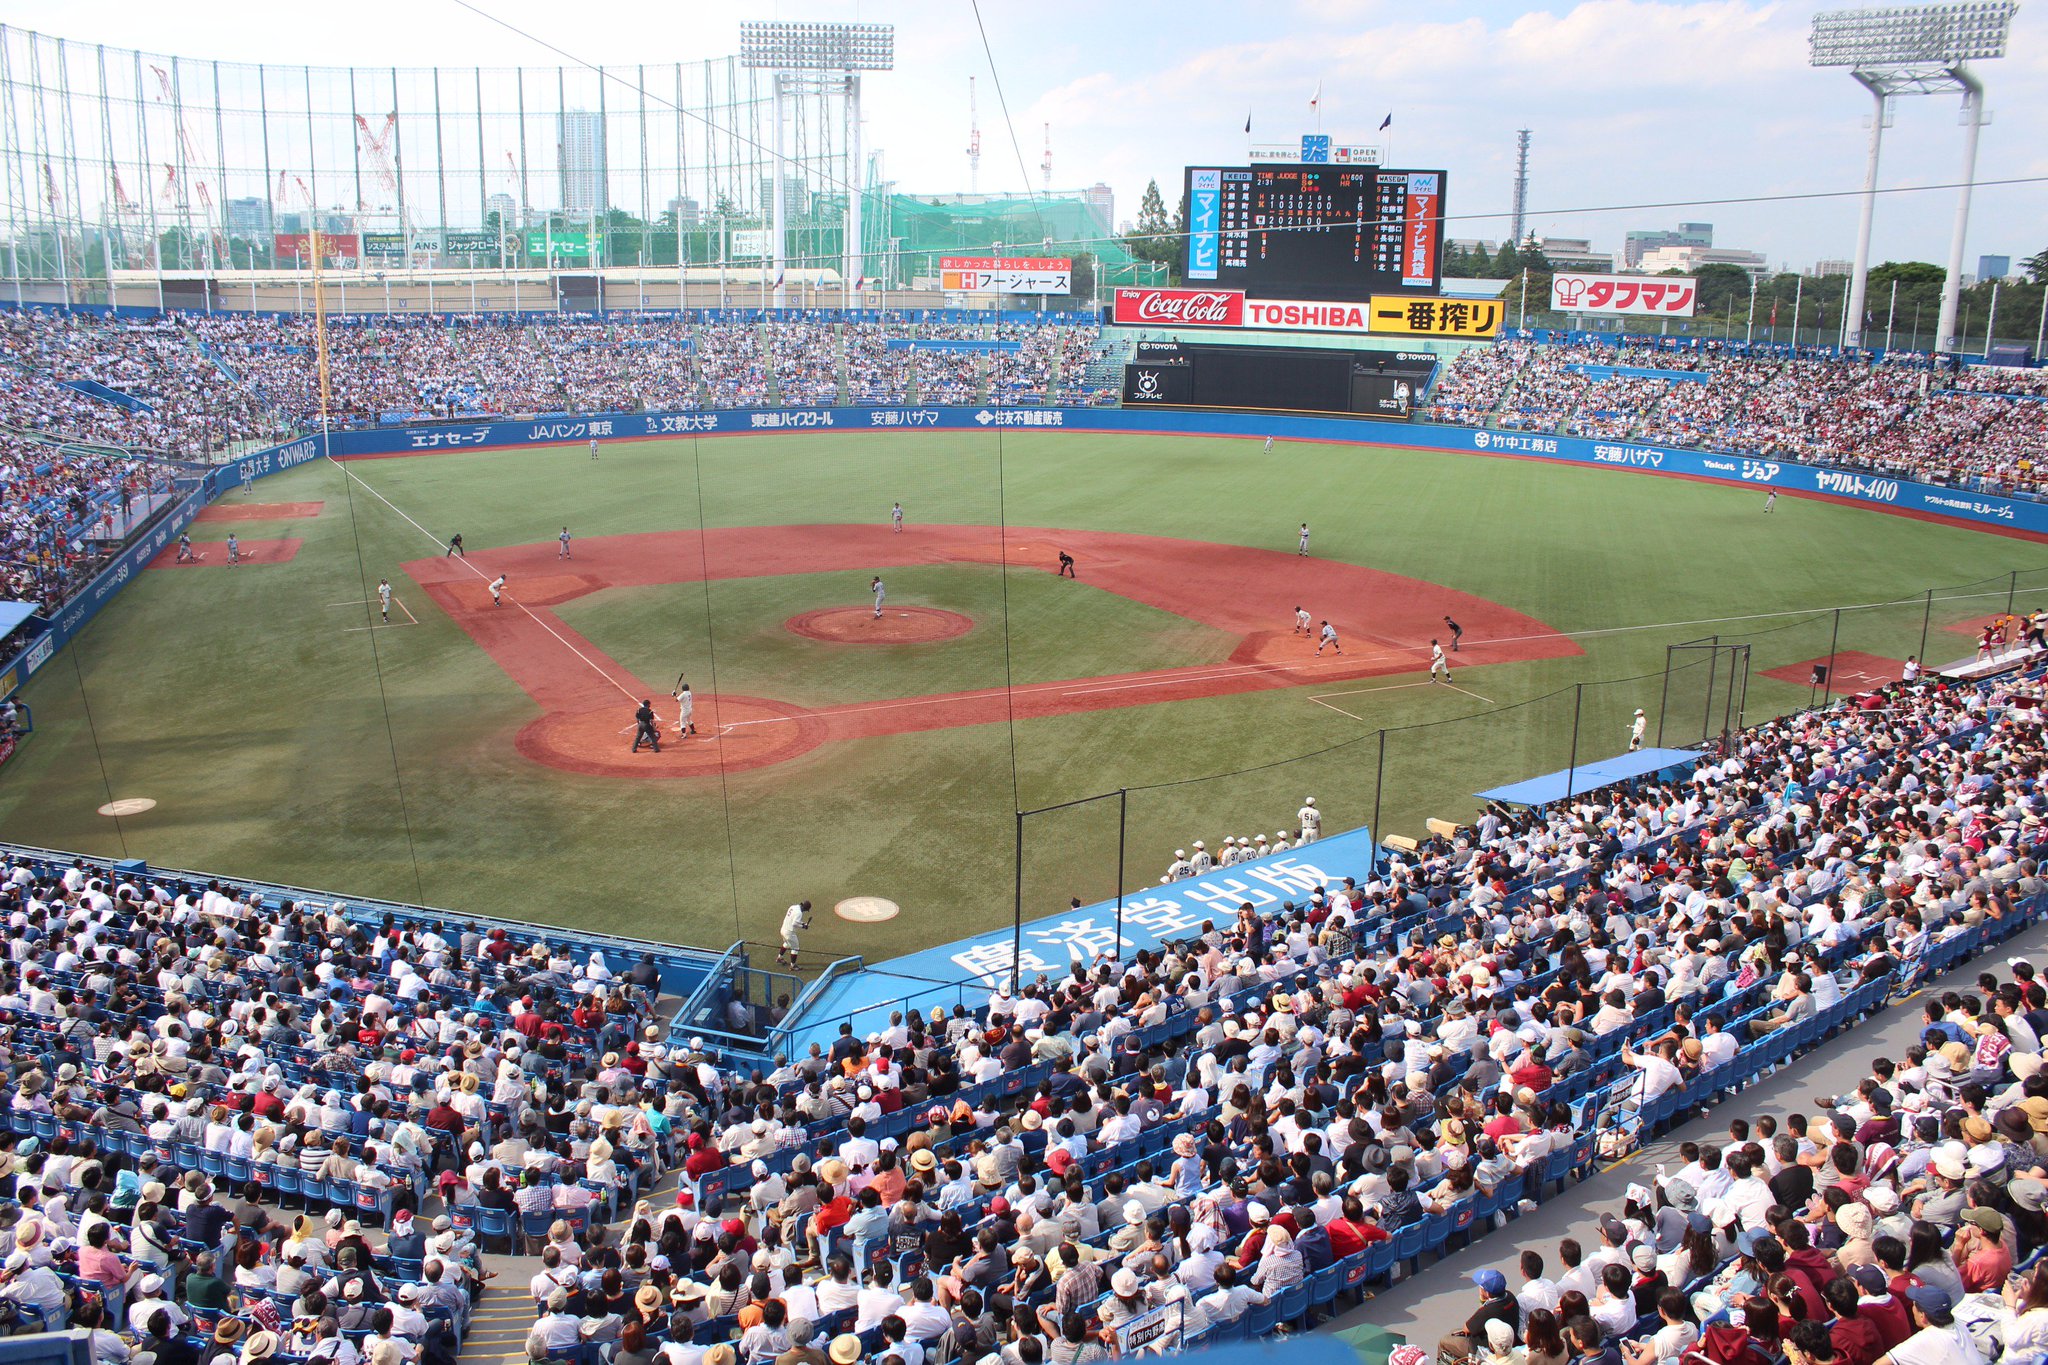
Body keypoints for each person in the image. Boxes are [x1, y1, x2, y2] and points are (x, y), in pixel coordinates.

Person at [779, 902, 812, 969]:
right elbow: (794, 923)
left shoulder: (793, 907)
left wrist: (803, 923)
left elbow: (794, 920)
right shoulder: (799, 913)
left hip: (783, 929)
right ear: (805, 908)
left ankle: (779, 958)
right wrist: (803, 926)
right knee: (795, 948)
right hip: (789, 933)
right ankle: (793, 966)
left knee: (787, 944)